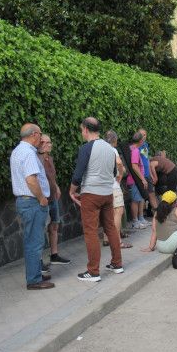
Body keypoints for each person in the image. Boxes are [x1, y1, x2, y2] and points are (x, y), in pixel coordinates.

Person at [70, 117, 123, 282]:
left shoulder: (86, 148)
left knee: (91, 231)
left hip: (91, 194)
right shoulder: (109, 148)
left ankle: (93, 271)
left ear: (86, 129)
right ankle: (117, 264)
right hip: (107, 194)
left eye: (81, 129)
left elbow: (78, 174)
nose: (81, 132)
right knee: (111, 228)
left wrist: (72, 191)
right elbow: (115, 172)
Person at [10, 123, 54, 290]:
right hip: (32, 202)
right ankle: (34, 280)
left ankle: (35, 274)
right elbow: (31, 180)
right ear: (34, 134)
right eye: (40, 134)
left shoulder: (18, 151)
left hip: (26, 201)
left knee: (33, 240)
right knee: (34, 242)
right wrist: (42, 198)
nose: (42, 138)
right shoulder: (28, 153)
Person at [37, 134, 71, 266]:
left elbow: (50, 177)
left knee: (55, 225)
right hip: (43, 199)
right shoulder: (36, 159)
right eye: (45, 142)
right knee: (40, 229)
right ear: (39, 144)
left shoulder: (49, 158)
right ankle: (38, 261)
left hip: (53, 198)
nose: (48, 144)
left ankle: (54, 255)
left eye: (49, 142)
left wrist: (56, 186)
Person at [103, 130, 132, 249]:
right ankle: (117, 241)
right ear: (114, 140)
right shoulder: (112, 150)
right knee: (118, 212)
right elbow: (119, 163)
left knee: (107, 213)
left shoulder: (101, 150)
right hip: (113, 185)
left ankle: (106, 238)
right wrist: (121, 173)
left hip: (103, 186)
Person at [126, 132, 148, 229]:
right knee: (135, 201)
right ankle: (135, 221)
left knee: (139, 199)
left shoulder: (131, 148)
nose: (144, 141)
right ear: (140, 141)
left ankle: (139, 220)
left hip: (135, 179)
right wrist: (143, 179)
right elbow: (135, 166)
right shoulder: (135, 150)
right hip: (135, 180)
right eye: (143, 139)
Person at [137, 128, 158, 224]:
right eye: (141, 135)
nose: (143, 137)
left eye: (145, 135)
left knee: (151, 194)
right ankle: (140, 218)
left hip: (147, 174)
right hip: (140, 175)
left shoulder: (145, 145)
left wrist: (151, 174)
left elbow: (147, 160)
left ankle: (157, 214)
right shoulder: (136, 147)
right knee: (140, 197)